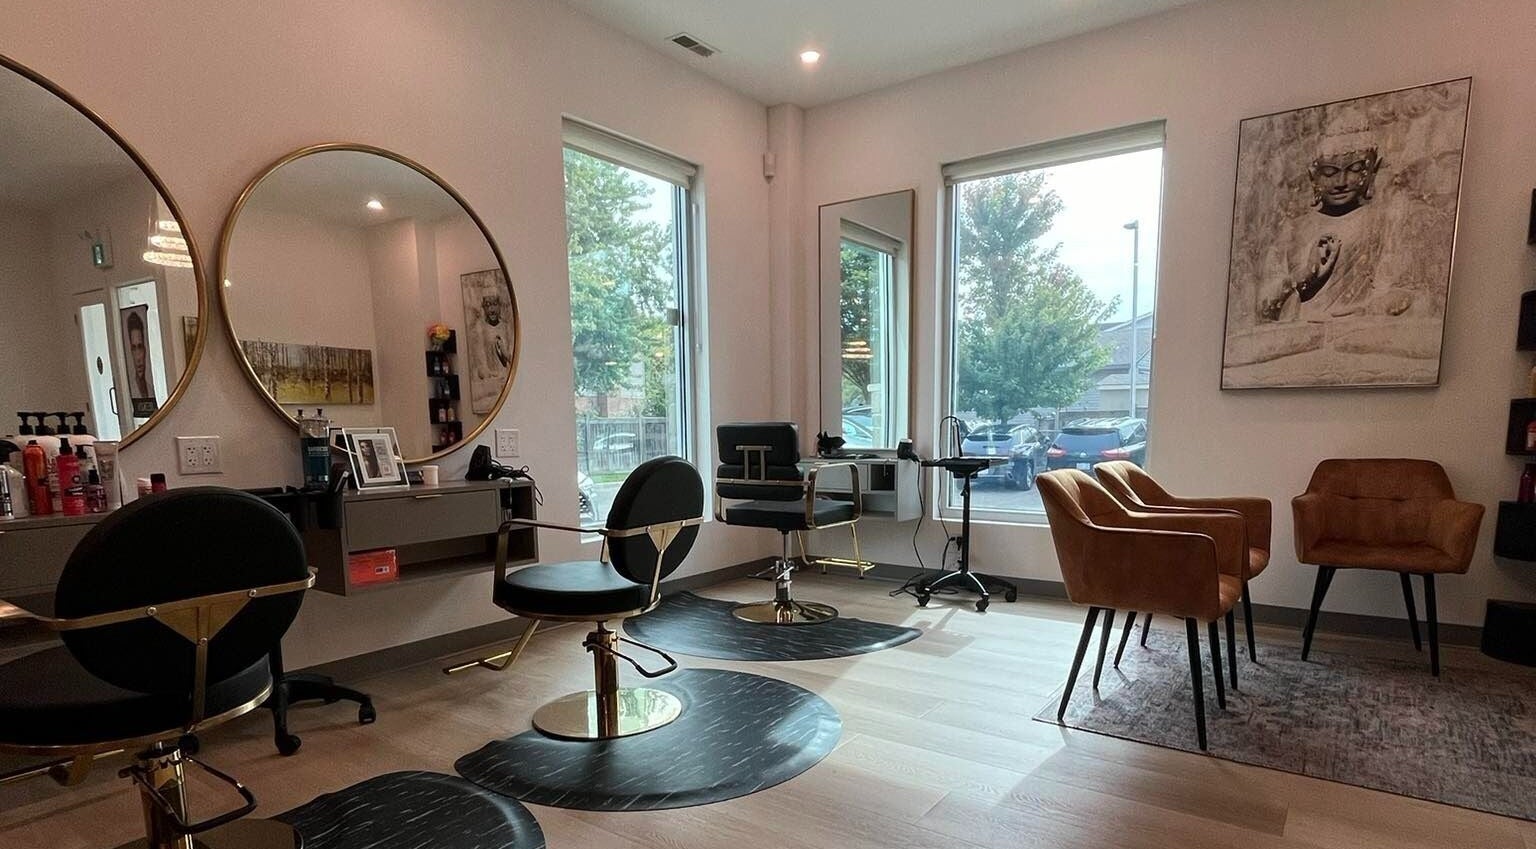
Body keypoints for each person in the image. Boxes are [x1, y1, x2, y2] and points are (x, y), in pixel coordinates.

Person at [1257, 122, 1413, 323]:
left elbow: (1403, 292)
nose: (1341, 182)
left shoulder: (1384, 220)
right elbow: (1265, 306)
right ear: (1313, 176)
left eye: (1355, 169)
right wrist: (1306, 275)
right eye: (1330, 172)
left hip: (1356, 330)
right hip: (1302, 332)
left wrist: (1372, 308)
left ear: (1373, 170)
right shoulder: (1292, 229)